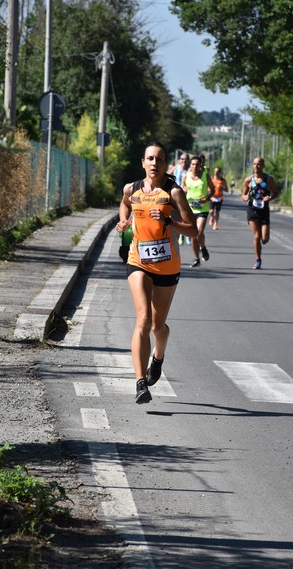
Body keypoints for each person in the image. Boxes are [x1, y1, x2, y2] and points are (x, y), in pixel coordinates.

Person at [116, 142, 198, 404]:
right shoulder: (132, 189)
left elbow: (193, 230)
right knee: (142, 320)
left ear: (165, 164)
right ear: (143, 162)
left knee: (157, 325)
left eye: (159, 159)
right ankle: (141, 383)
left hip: (167, 265)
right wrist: (123, 220)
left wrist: (169, 221)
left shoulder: (173, 193)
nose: (154, 163)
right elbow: (124, 204)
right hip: (138, 260)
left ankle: (158, 357)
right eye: (150, 159)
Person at [241, 157, 278, 269]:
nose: (256, 166)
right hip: (252, 210)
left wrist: (270, 197)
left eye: (259, 164)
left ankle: (259, 251)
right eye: (254, 164)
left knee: (265, 239)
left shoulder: (268, 180)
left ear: (263, 166)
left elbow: (275, 192)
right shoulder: (248, 180)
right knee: (257, 236)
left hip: (264, 211)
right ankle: (258, 260)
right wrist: (245, 197)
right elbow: (243, 195)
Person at [182, 156, 215, 267]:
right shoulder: (186, 176)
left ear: (201, 165)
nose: (195, 166)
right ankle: (197, 258)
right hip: (190, 208)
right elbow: (182, 188)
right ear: (190, 165)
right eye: (193, 164)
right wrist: (184, 189)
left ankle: (203, 248)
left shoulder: (205, 176)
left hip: (202, 208)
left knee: (198, 231)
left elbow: (213, 190)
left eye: (197, 164)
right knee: (193, 236)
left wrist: (207, 197)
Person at [173, 153, 190, 245]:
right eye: (182, 159)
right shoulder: (177, 168)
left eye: (186, 159)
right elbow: (166, 175)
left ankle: (186, 233)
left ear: (188, 160)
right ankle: (181, 234)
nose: (183, 161)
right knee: (178, 217)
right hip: (175, 195)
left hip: (186, 195)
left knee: (185, 215)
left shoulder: (190, 170)